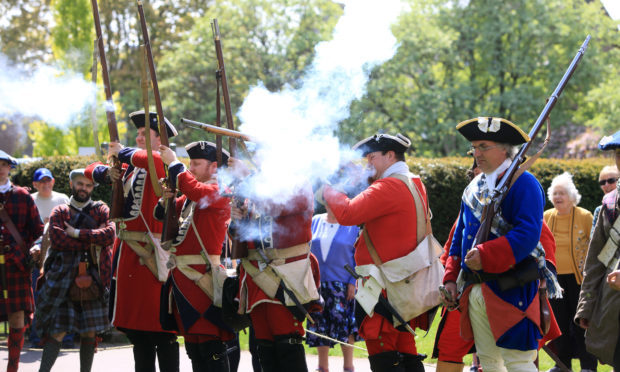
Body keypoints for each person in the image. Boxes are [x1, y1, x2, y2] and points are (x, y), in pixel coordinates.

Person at [442, 117, 558, 372]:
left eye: (483, 146)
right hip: (475, 289)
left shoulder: (524, 183)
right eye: (474, 147)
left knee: (519, 362)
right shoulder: (474, 187)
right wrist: (451, 277)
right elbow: (460, 237)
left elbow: (528, 233)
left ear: (505, 149)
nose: (476, 153)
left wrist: (485, 254)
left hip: (511, 287)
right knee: (489, 362)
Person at [319, 132, 430, 372]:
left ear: (390, 155)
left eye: (372, 158)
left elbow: (347, 214)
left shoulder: (389, 185)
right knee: (406, 351)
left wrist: (328, 185)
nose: (368, 164)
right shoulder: (412, 182)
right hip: (400, 283)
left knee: (384, 354)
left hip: (384, 286)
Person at [85, 111, 180, 372]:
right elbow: (89, 169)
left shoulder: (163, 163)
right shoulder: (133, 164)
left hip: (152, 253)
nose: (138, 138)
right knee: (138, 333)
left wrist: (122, 151)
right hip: (128, 254)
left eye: (143, 135)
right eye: (137, 135)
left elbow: (151, 160)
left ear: (159, 140)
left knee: (162, 330)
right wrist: (108, 173)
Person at [228, 156, 319, 372]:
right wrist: (237, 220)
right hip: (256, 276)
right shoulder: (255, 189)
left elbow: (277, 206)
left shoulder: (298, 183)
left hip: (286, 272)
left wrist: (247, 180)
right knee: (264, 347)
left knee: (286, 343)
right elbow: (240, 237)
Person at [156, 142, 233, 372]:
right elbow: (163, 214)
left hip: (203, 278)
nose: (192, 168)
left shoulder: (220, 190)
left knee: (210, 347)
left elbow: (196, 191)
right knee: (194, 348)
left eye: (197, 163)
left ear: (214, 167)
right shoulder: (193, 195)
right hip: (183, 280)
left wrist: (173, 164)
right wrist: (166, 198)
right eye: (190, 163)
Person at [35, 168, 115, 372]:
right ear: (72, 185)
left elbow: (109, 236)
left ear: (93, 187)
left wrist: (78, 233)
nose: (84, 188)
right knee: (57, 331)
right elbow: (59, 240)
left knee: (89, 333)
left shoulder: (101, 210)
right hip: (62, 279)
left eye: (88, 185)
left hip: (94, 279)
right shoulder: (60, 211)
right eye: (80, 184)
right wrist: (91, 240)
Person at [543, 172, 598, 371]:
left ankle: (588, 366)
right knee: (559, 325)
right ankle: (562, 365)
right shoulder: (546, 216)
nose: (558, 197)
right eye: (555, 193)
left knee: (581, 323)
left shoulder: (585, 216)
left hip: (579, 280)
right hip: (554, 281)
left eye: (562, 193)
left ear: (571, 197)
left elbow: (594, 245)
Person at [575, 130, 620, 371]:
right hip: (613, 304)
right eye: (618, 154)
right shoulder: (610, 204)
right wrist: (587, 305)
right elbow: (595, 260)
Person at [0, 149, 44, 372]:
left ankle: (12, 368)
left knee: (17, 317)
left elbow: (38, 229)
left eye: (3, 164)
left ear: (10, 167)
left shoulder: (22, 196)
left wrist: (33, 247)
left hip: (16, 264)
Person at [306, 202, 359, 372]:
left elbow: (358, 257)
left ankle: (348, 366)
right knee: (319, 324)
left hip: (343, 285)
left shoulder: (352, 225)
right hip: (318, 283)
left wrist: (353, 281)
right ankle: (322, 367)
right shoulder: (315, 220)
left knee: (344, 325)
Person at [29, 167, 70, 348]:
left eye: (48, 181)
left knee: (63, 296)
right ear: (35, 184)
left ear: (53, 181)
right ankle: (37, 337)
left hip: (60, 253)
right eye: (41, 182)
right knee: (37, 295)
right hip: (36, 255)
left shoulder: (62, 199)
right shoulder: (30, 200)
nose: (46, 184)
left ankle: (65, 338)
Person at [591, 165, 618, 234]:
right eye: (602, 182)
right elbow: (594, 239)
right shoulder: (599, 211)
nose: (606, 184)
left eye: (611, 180)